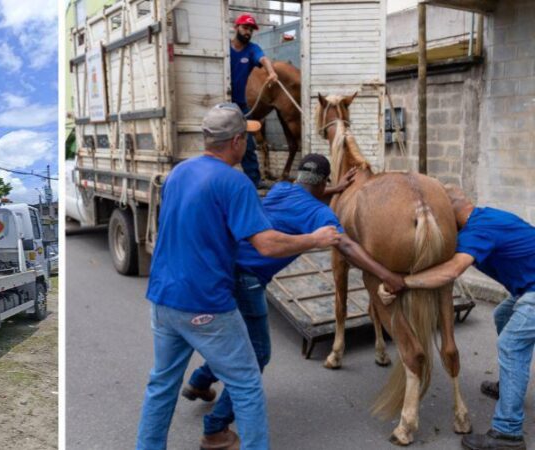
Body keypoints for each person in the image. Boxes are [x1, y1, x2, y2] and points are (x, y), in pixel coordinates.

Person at [136, 103, 341, 450]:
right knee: (246, 382)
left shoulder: (179, 173)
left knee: (162, 384)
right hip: (206, 304)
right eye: (245, 137)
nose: (247, 143)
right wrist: (316, 239)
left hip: (162, 298)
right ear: (235, 142)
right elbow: (267, 244)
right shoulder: (236, 182)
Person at [182, 154, 406, 449]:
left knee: (237, 338)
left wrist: (335, 188)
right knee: (258, 353)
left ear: (300, 177)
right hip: (247, 281)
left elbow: (312, 189)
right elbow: (347, 245)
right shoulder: (319, 215)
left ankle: (199, 381)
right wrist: (387, 274)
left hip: (224, 269)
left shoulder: (280, 189)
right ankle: (216, 427)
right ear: (322, 182)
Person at [379, 185, 535, 450]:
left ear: (451, 212)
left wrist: (402, 282)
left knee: (511, 344)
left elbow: (451, 271)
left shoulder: (478, 230)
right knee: (503, 316)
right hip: (526, 289)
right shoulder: (484, 218)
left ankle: (508, 433)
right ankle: (510, 386)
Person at [230, 13, 277, 189]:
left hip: (240, 105)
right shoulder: (224, 47)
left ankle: (254, 181)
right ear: (237, 28)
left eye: (251, 29)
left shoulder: (252, 49)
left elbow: (263, 58)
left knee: (247, 144)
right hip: (223, 103)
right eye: (245, 28)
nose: (248, 32)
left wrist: (271, 72)